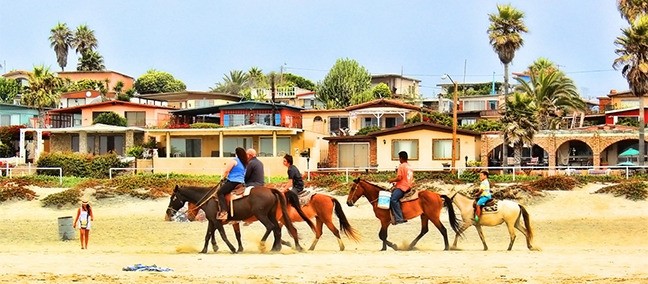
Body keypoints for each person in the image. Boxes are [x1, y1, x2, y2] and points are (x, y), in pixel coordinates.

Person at [216, 147, 248, 220]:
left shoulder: (234, 161)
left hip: (233, 181)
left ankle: (224, 212)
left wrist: (223, 178)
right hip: (241, 182)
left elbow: (227, 171)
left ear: (236, 153)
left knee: (220, 193)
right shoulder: (244, 163)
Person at [388, 151, 414, 225]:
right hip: (409, 186)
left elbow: (399, 178)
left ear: (401, 158)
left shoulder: (401, 166)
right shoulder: (409, 166)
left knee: (393, 199)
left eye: (399, 158)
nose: (399, 159)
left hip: (402, 187)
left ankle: (399, 218)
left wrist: (391, 180)